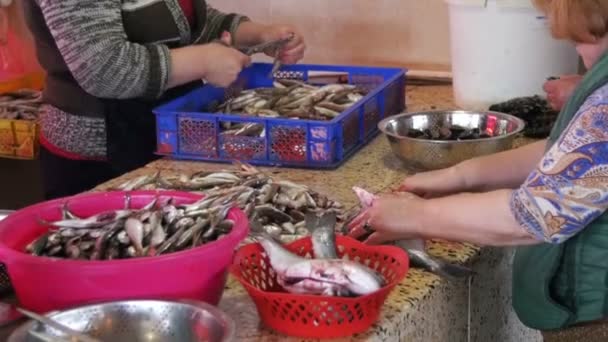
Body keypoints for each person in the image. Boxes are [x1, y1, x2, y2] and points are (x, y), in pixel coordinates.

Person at [348, 0, 608, 340]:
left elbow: (535, 214)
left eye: (581, 38)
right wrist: (462, 175)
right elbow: (565, 155)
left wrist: (416, 216)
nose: (575, 49)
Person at [21, 0, 305, 200]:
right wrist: (204, 61)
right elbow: (105, 69)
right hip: (99, 158)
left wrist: (261, 35)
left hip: (165, 135)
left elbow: (188, 26)